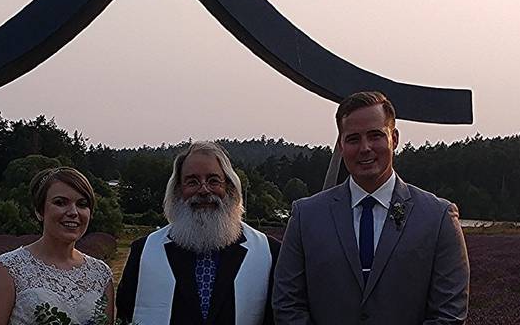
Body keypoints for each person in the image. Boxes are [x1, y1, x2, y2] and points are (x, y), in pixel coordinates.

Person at [273, 91, 469, 325]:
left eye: (375, 136)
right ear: (340, 145)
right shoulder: (306, 217)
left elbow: (449, 315)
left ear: (394, 138)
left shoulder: (438, 218)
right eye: (353, 139)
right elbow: (287, 304)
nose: (365, 148)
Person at [116, 141, 281, 325]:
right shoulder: (144, 251)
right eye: (192, 182)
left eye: (213, 181)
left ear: (230, 188)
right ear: (178, 190)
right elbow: (125, 315)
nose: (203, 190)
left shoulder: (268, 252)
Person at [0, 167, 115, 325]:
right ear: (39, 211)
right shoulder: (8, 270)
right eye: (60, 202)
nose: (73, 212)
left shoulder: (101, 274)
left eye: (82, 204)